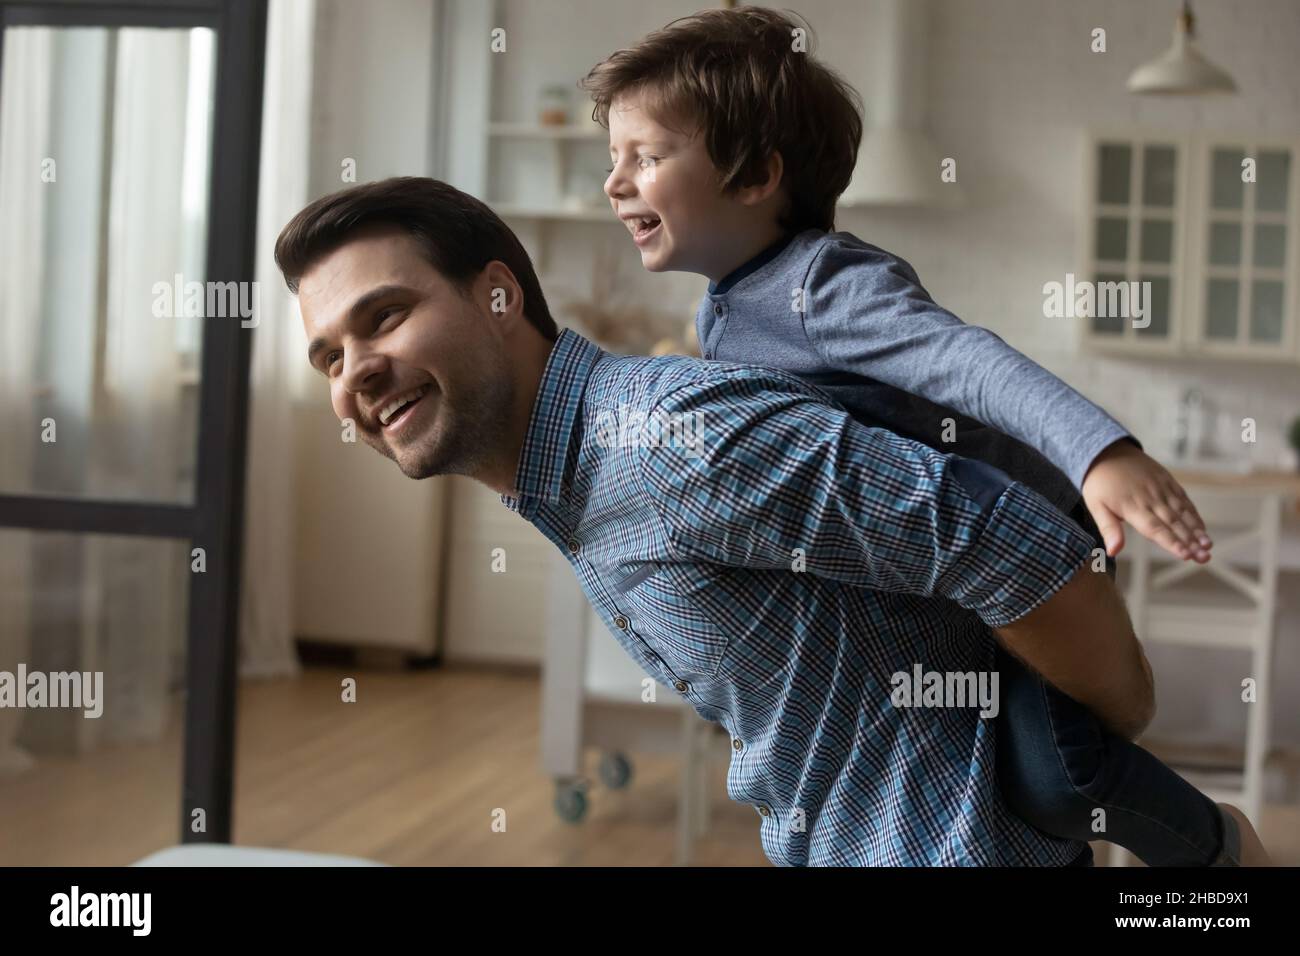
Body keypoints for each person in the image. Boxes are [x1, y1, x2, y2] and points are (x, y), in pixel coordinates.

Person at [274, 176, 1269, 866]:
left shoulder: (668, 444)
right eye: (327, 356)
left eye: (384, 316)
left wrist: (1116, 719)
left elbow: (1011, 543)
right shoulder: (572, 479)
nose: (354, 370)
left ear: (497, 293)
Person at [581, 6, 1270, 865]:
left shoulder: (823, 285)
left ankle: (1223, 851)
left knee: (1061, 779)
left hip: (1033, 533)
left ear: (756, 173)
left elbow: (968, 361)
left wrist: (1101, 452)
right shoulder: (721, 310)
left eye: (645, 157)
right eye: (613, 158)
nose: (614, 182)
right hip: (947, 573)